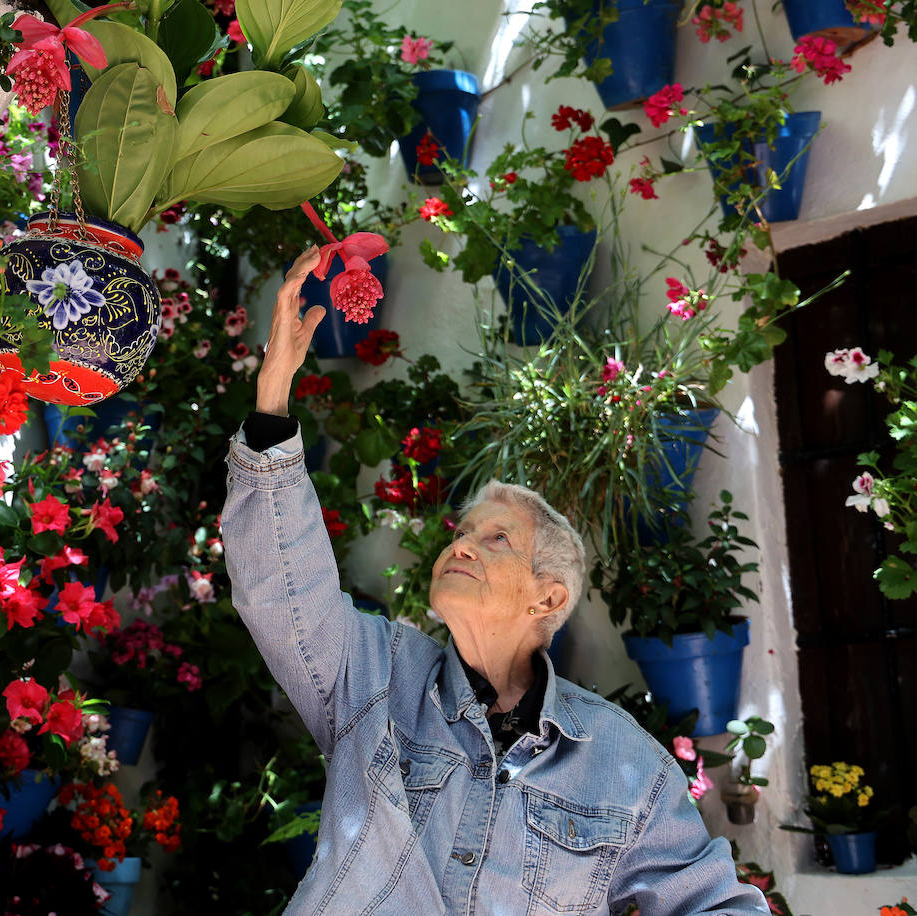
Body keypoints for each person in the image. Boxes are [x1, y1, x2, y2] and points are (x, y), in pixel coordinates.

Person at [219, 247, 768, 915]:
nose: (463, 545)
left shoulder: (624, 763)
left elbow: (716, 905)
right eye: (463, 532)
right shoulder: (373, 677)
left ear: (549, 597)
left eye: (496, 538)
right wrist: (273, 396)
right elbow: (280, 588)